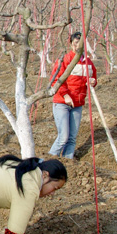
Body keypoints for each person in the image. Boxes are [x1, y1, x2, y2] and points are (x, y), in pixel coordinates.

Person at [49, 31, 97, 159]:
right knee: (63, 136)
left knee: (72, 138)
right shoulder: (65, 60)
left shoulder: (88, 63)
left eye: (81, 44)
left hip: (78, 104)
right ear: (71, 44)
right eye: (76, 43)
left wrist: (92, 81)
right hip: (62, 103)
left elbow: (92, 78)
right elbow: (56, 80)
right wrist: (65, 95)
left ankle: (67, 162)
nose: (78, 46)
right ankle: (50, 160)